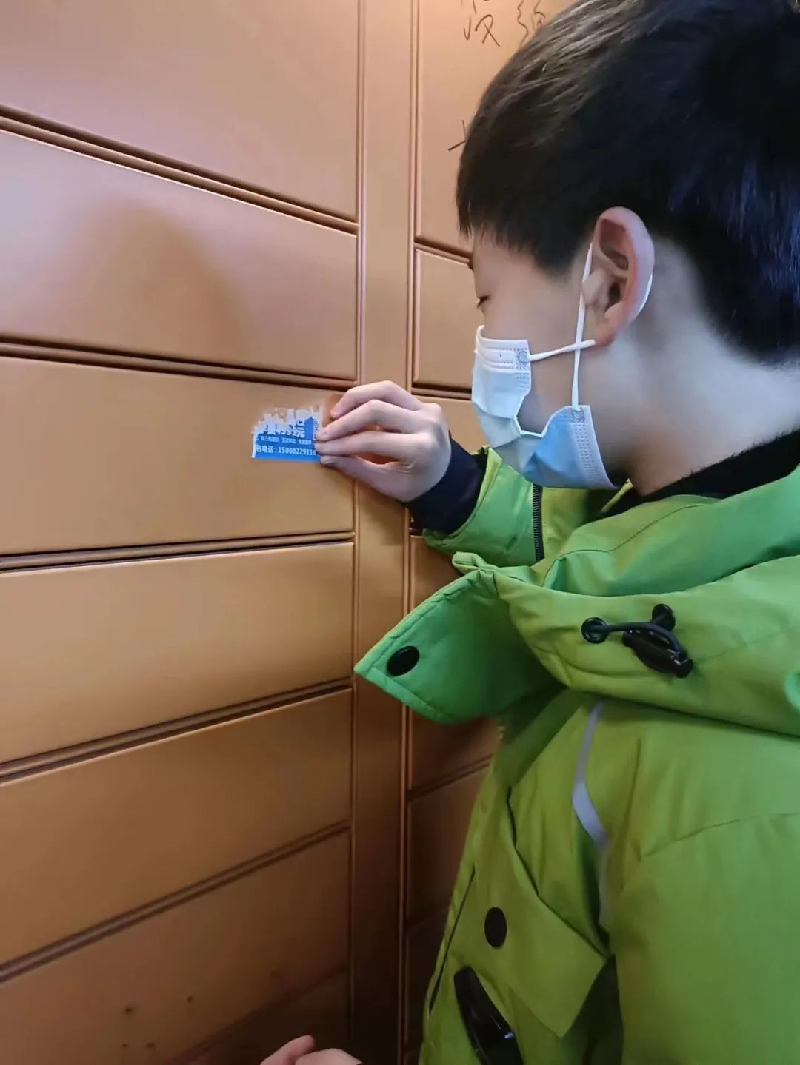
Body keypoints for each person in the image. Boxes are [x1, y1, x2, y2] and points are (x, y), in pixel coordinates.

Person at [275, 0, 800, 1060]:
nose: (484, 337)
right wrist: (451, 485)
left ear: (609, 279)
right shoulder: (706, 523)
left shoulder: (740, 802)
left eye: (486, 298)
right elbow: (616, 574)